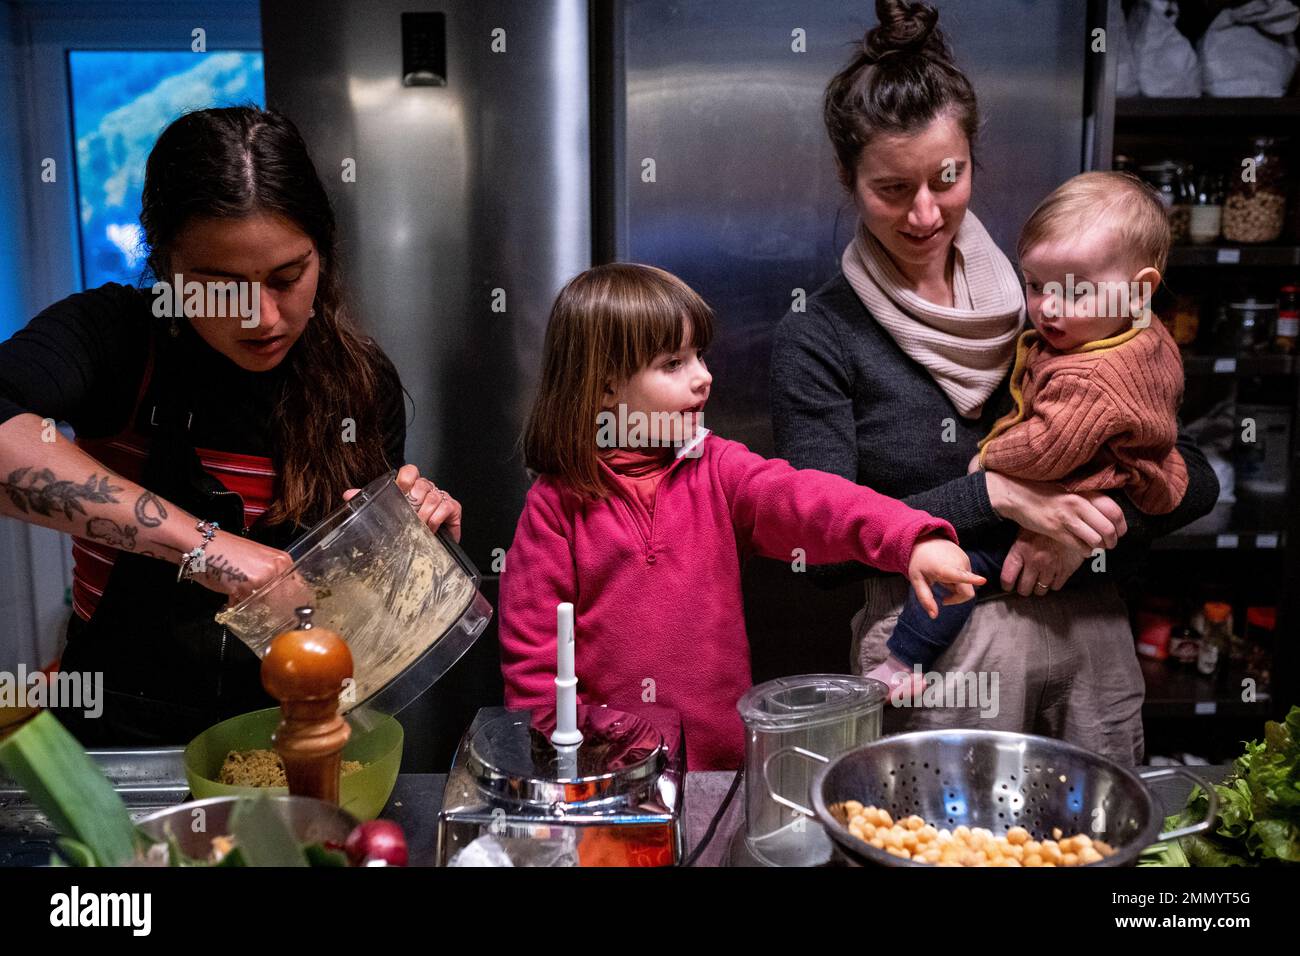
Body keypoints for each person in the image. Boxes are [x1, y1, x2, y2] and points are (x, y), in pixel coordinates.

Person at [770, 0, 1219, 764]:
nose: (923, 213)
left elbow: (1193, 475)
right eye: (890, 188)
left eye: (947, 178)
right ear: (848, 179)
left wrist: (1077, 533)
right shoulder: (820, 336)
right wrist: (996, 496)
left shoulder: (1055, 300)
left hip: (1087, 642)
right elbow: (823, 550)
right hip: (937, 656)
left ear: (974, 159)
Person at [0, 107, 462, 746]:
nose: (263, 317)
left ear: (321, 252)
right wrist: (212, 551)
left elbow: (349, 624)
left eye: (287, 277)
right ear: (166, 263)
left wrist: (407, 554)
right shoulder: (119, 339)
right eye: (220, 285)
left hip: (292, 736)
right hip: (121, 740)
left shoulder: (359, 382)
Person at [498, 263, 982, 770]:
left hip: (724, 770)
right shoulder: (555, 509)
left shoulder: (720, 470)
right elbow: (534, 660)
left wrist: (910, 538)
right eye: (673, 363)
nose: (703, 377)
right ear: (605, 389)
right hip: (609, 780)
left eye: (699, 356)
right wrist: (571, 758)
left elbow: (810, 500)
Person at [873, 172, 1190, 691]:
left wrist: (992, 462)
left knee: (962, 566)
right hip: (1107, 492)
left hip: (1089, 495)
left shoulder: (1095, 373)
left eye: (1076, 292)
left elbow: (1047, 446)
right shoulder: (1125, 333)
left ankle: (906, 663)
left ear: (1140, 292)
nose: (1048, 308)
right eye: (1037, 285)